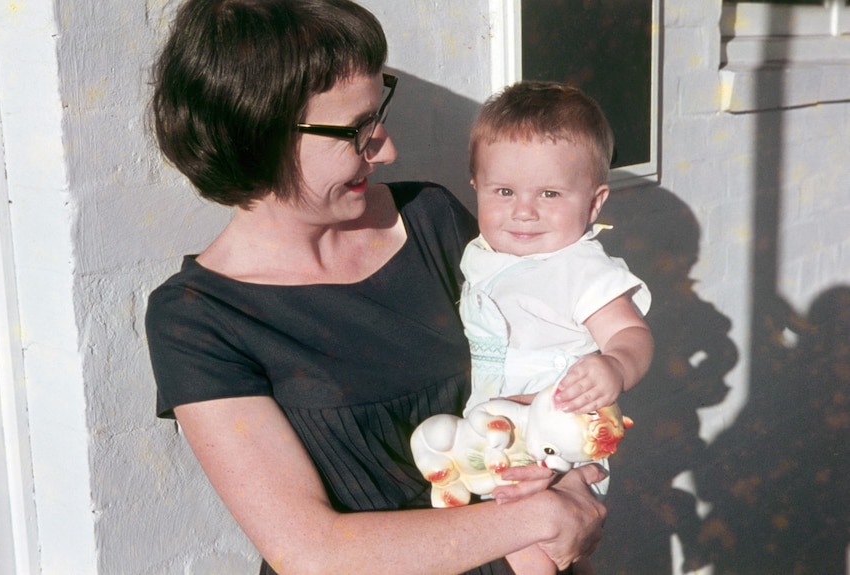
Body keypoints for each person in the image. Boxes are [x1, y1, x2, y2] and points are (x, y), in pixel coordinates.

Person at [145, 1, 607, 574]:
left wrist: (565, 473)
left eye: (377, 115)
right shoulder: (197, 319)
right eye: (355, 130)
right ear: (256, 134)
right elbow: (311, 553)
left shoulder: (432, 219)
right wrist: (542, 519)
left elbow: (550, 363)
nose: (385, 148)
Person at [459, 82, 654, 574]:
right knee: (516, 528)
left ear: (593, 203)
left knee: (532, 534)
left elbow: (631, 335)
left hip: (559, 427)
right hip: (501, 422)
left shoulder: (581, 268)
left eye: (549, 193)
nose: (524, 210)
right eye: (504, 191)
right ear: (476, 189)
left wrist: (614, 367)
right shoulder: (483, 254)